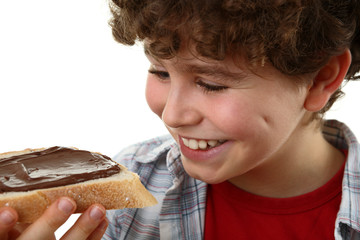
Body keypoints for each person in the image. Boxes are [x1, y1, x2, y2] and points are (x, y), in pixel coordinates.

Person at [0, 0, 359, 239]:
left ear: (319, 78)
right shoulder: (128, 203)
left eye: (211, 84)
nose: (171, 114)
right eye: (160, 72)